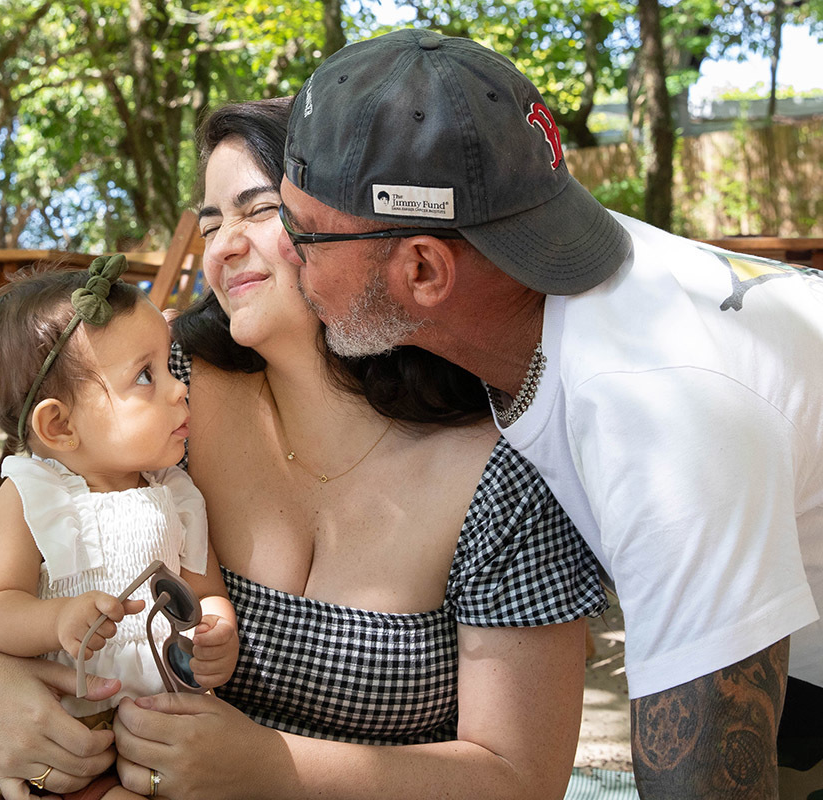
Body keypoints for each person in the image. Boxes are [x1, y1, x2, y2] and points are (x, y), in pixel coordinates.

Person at [0, 97, 605, 800]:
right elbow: (5, 595)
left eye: (259, 211)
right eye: (211, 221)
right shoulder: (167, 396)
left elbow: (523, 779)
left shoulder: (504, 472)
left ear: (364, 228)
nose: (223, 246)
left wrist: (273, 769)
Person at [277, 27, 823, 798]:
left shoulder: (658, 419)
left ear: (424, 270)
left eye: (301, 234)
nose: (281, 252)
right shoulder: (533, 305)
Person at [0, 258, 238, 800]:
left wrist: (215, 633)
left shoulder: (175, 492)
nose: (179, 391)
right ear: (59, 425)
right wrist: (55, 618)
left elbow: (203, 593)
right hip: (63, 729)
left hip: (157, 731)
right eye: (147, 376)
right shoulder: (33, 497)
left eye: (171, 368)